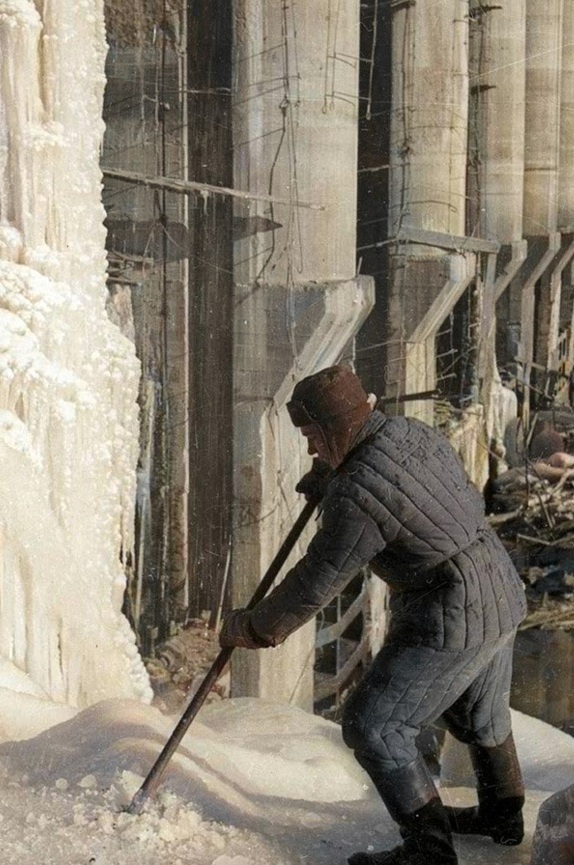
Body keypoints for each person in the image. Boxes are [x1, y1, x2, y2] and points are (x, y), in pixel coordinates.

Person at [219, 365, 527, 865]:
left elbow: (316, 581)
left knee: (375, 725)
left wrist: (254, 627)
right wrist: (331, 472)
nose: (311, 448)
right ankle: (502, 814)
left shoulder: (358, 495)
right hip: (498, 585)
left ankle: (428, 853)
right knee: (478, 712)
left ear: (334, 427)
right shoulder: (410, 432)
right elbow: (448, 495)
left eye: (312, 437)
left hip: (453, 608)